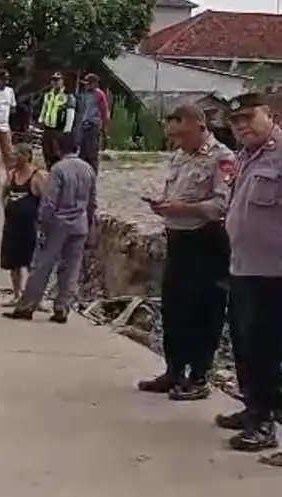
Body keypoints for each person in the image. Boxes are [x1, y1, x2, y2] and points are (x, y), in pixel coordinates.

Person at [134, 105, 232, 401]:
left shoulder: (222, 158)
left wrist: (181, 209)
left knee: (203, 309)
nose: (177, 141)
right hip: (178, 239)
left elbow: (221, 205)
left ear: (199, 126)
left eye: (182, 134)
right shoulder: (180, 156)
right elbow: (175, 192)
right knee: (174, 306)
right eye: (174, 136)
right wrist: (162, 203)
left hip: (206, 240)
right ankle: (174, 369)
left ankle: (199, 375)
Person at [219, 92, 282, 452]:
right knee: (244, 346)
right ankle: (252, 408)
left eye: (247, 117)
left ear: (269, 115)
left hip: (273, 272)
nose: (241, 126)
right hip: (243, 266)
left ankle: (264, 423)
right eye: (235, 121)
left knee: (266, 349)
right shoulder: (244, 157)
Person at [3, 132, 96, 323]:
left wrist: (42, 224)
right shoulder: (88, 169)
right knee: (71, 268)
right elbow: (92, 202)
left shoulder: (58, 170)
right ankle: (62, 308)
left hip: (58, 224)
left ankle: (27, 306)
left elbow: (49, 202)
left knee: (42, 266)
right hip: (79, 224)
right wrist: (90, 223)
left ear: (57, 148)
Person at [0, 143, 47, 307]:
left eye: (17, 155)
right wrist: (7, 207)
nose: (13, 158)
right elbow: (4, 192)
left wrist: (41, 221)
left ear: (27, 156)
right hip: (12, 225)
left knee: (31, 263)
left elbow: (45, 200)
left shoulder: (37, 176)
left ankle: (35, 298)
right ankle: (16, 294)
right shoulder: (12, 174)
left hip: (30, 227)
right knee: (13, 262)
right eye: (12, 155)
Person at [39, 72, 76, 169]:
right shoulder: (48, 94)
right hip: (47, 128)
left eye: (57, 80)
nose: (55, 83)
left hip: (59, 129)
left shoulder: (67, 96)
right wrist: (41, 119)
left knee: (58, 154)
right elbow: (44, 108)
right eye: (53, 80)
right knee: (47, 153)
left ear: (62, 81)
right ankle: (49, 172)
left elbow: (70, 113)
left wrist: (67, 130)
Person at [77, 73, 110, 173]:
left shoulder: (99, 94)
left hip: (93, 126)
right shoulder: (84, 94)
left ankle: (93, 174)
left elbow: (105, 112)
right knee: (82, 153)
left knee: (92, 153)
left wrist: (104, 128)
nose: (86, 86)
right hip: (83, 126)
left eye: (88, 84)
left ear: (93, 84)